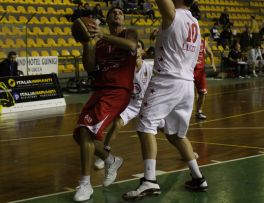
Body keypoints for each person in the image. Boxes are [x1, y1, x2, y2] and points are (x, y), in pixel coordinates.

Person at [122, 0, 207, 201]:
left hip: (167, 80)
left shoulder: (173, 14)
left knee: (145, 127)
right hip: (186, 83)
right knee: (176, 135)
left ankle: (150, 181)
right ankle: (198, 177)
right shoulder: (194, 21)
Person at [72, 7, 138, 202]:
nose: (117, 14)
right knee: (80, 134)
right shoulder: (99, 44)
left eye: (120, 12)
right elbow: (90, 67)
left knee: (86, 130)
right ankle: (111, 160)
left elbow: (131, 46)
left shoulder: (129, 33)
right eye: (113, 13)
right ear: (107, 19)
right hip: (100, 90)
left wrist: (103, 34)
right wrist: (87, 44)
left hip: (118, 91)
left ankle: (85, 184)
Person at [94, 40, 157, 169]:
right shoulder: (125, 68)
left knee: (167, 129)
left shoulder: (150, 68)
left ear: (143, 51)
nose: (136, 49)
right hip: (131, 103)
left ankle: (186, 152)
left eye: (139, 47)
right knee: (117, 123)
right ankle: (104, 155)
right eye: (134, 48)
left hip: (148, 104)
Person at [194, 37, 216, 119]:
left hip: (200, 71)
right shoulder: (189, 40)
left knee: (203, 92)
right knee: (189, 93)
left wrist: (213, 63)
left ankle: (199, 111)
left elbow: (210, 53)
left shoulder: (204, 42)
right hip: (190, 70)